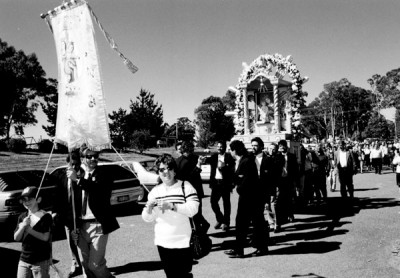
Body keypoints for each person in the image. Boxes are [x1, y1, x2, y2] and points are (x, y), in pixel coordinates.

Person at [142, 154, 199, 278]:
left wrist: (173, 206)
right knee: (171, 275)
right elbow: (147, 218)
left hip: (183, 241)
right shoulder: (155, 192)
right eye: (162, 170)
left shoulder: (185, 186)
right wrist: (149, 208)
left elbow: (193, 209)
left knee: (183, 275)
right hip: (163, 242)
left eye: (169, 168)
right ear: (158, 172)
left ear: (174, 170)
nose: (166, 172)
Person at [74, 147, 120, 278]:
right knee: (85, 264)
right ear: (83, 158)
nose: (93, 159)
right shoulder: (77, 174)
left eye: (95, 156)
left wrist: (79, 180)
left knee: (95, 265)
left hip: (98, 224)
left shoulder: (105, 174)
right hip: (80, 225)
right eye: (89, 156)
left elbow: (99, 191)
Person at [224, 140, 268, 258]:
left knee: (254, 223)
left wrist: (238, 185)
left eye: (230, 150)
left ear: (235, 150)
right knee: (243, 223)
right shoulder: (241, 160)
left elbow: (246, 180)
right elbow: (237, 178)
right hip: (247, 196)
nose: (229, 152)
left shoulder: (247, 161)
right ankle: (241, 249)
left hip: (251, 197)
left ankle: (260, 248)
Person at [52, 151, 83, 278]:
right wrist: (55, 211)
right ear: (67, 164)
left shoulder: (83, 176)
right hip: (68, 216)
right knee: (71, 242)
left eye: (76, 164)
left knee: (82, 242)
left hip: (82, 216)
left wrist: (76, 179)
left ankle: (87, 264)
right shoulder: (61, 176)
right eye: (71, 164)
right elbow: (57, 195)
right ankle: (75, 265)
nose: (74, 167)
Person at [14, 186, 52, 278]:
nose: (26, 202)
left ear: (38, 200)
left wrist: (29, 230)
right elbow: (16, 238)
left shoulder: (45, 216)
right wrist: (22, 227)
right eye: (24, 199)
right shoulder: (22, 217)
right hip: (24, 259)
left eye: (30, 199)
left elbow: (45, 237)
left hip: (40, 260)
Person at [175, 141, 210, 234]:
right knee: (191, 216)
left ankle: (200, 236)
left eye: (191, 150)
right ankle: (198, 234)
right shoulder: (179, 162)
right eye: (188, 150)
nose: (190, 152)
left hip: (196, 191)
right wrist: (198, 166)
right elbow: (188, 178)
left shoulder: (195, 158)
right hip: (186, 193)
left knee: (197, 215)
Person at [206, 140, 235, 231]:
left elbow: (231, 170)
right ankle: (220, 219)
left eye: (221, 146)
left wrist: (223, 167)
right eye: (218, 146)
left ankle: (226, 223)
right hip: (216, 183)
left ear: (225, 148)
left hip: (225, 183)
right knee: (213, 202)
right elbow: (206, 160)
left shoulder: (229, 157)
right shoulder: (214, 157)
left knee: (226, 204)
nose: (219, 148)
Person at [272, 140, 299, 232]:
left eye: (283, 146)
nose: (282, 148)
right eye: (280, 146)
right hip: (280, 182)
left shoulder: (292, 156)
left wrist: (297, 183)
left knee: (289, 199)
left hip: (289, 181)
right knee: (278, 203)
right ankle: (277, 223)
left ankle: (290, 214)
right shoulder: (276, 157)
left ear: (286, 147)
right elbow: (274, 171)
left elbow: (295, 170)